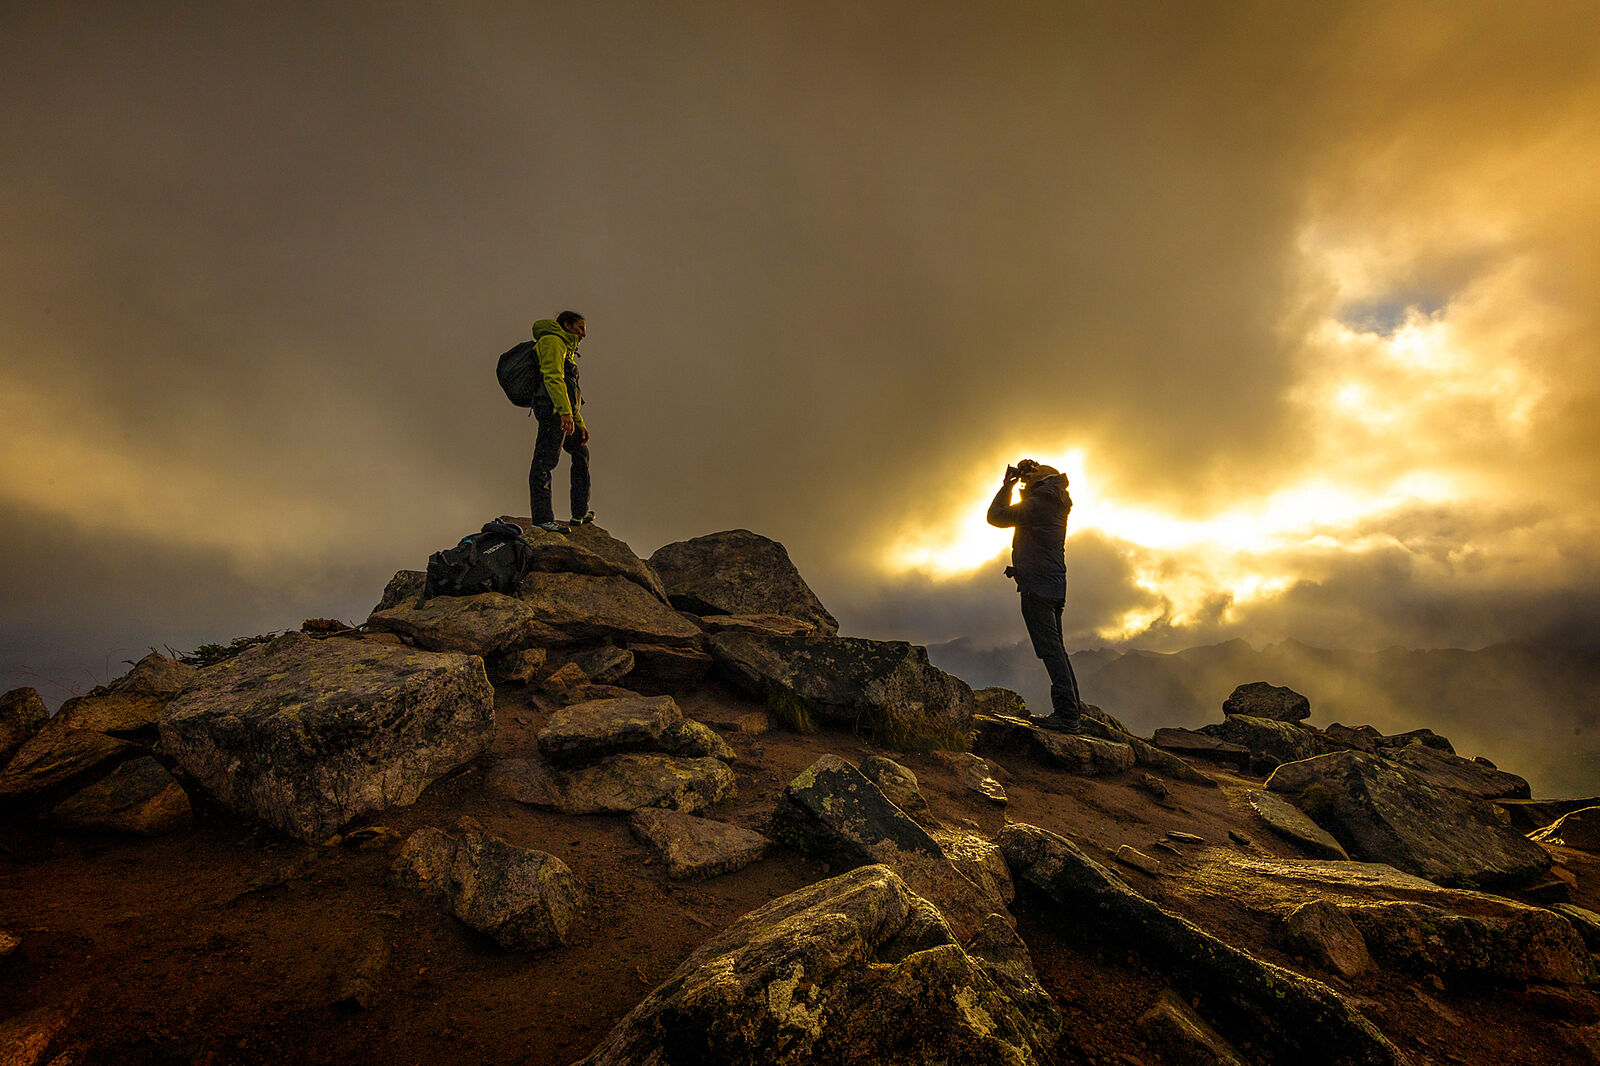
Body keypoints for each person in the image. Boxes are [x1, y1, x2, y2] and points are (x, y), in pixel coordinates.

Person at [986, 458, 1085, 732]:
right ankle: (1073, 711)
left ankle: (1067, 716)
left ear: (1040, 483)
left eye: (1030, 479)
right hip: (1053, 585)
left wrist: (1008, 486)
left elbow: (996, 516)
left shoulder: (1039, 504)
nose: (1025, 482)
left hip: (1037, 588)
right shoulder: (1054, 502)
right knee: (1057, 650)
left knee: (1051, 651)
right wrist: (1027, 480)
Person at [528, 311, 592, 532]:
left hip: (564, 412)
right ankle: (542, 519)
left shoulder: (567, 348)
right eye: (580, 327)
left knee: (581, 453)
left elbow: (572, 391)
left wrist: (579, 421)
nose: (584, 333)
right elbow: (552, 377)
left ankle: (580, 512)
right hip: (552, 411)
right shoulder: (553, 342)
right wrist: (564, 413)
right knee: (545, 462)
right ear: (566, 324)